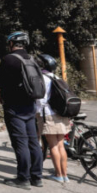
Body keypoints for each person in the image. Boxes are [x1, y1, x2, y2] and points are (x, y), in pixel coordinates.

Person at [0, 31, 44, 189]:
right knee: (33, 142)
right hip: (30, 105)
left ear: (11, 44)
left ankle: (23, 178)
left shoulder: (8, 59)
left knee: (20, 142)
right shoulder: (31, 59)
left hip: (14, 107)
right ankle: (37, 177)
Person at [36, 54, 71, 184]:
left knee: (53, 146)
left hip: (48, 115)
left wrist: (36, 112)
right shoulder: (56, 77)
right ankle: (65, 175)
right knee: (61, 145)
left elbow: (41, 100)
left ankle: (58, 174)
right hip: (61, 114)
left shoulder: (42, 79)